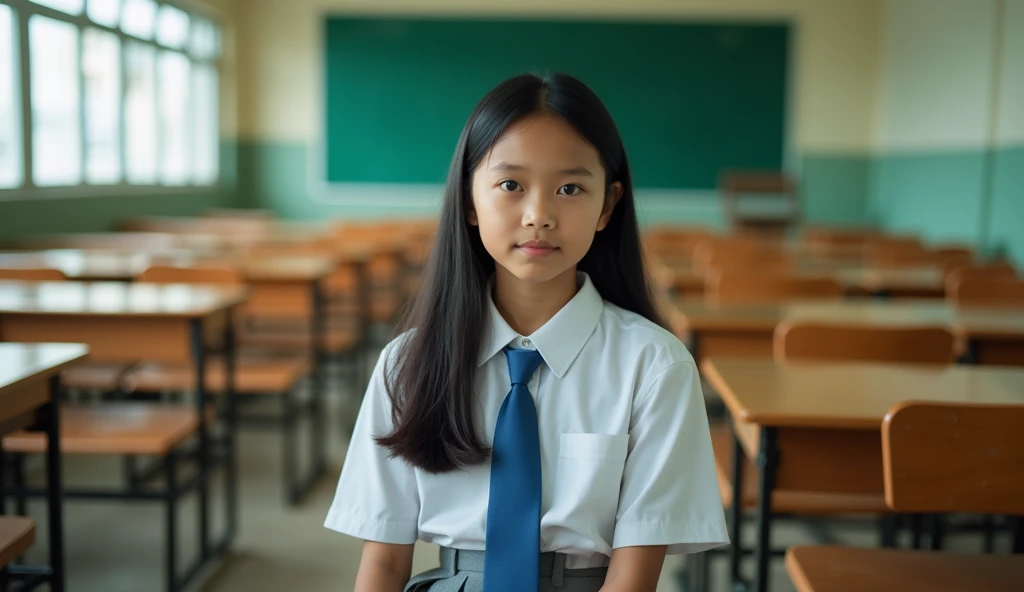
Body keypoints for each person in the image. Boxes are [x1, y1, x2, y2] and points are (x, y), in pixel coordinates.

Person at [325, 72, 728, 592]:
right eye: (510, 185)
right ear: (470, 201)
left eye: (570, 188)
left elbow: (633, 581)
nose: (539, 215)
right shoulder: (408, 362)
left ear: (607, 205)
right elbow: (381, 565)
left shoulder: (654, 365)